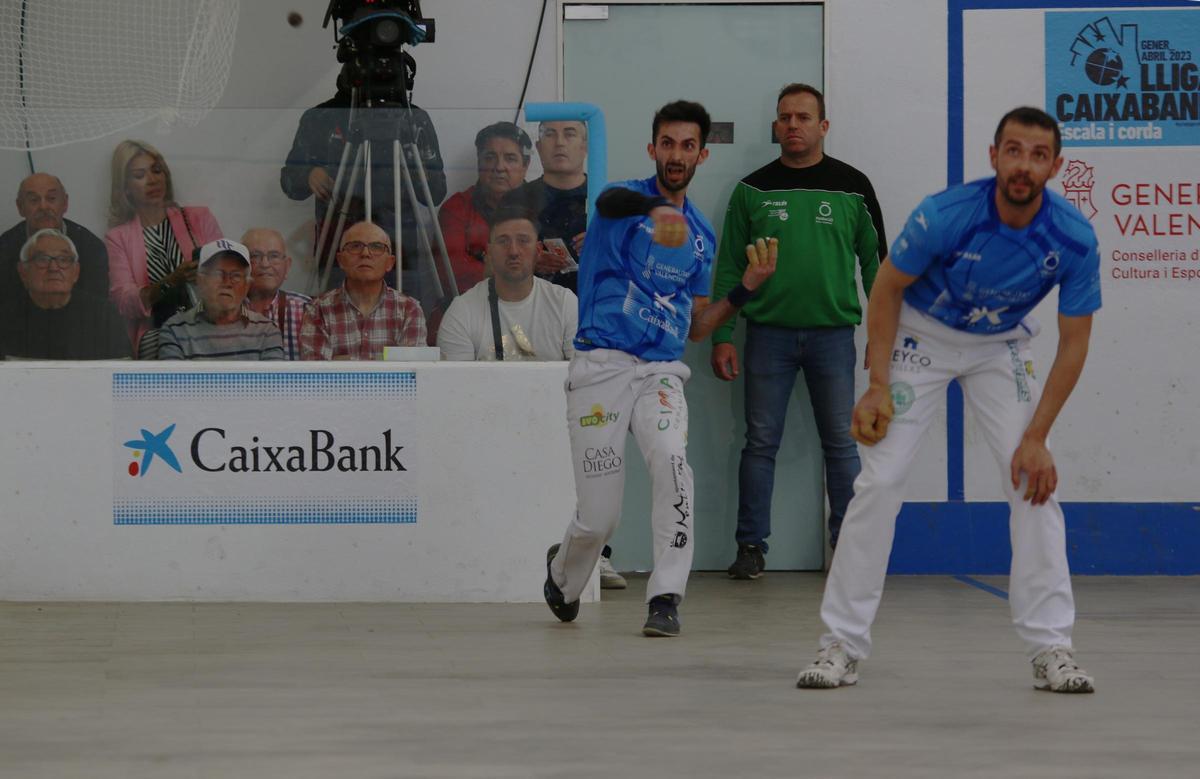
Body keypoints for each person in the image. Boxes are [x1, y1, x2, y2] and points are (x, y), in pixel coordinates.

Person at [795, 107, 1101, 693]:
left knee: (1032, 484)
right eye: (1013, 150)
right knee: (879, 485)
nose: (1024, 165)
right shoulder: (946, 214)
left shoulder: (1073, 237)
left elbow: (1074, 343)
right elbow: (886, 287)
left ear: (1056, 166)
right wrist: (878, 382)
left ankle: (1052, 648)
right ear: (993, 156)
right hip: (921, 339)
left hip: (1000, 348)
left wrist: (1036, 437)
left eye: (1038, 155)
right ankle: (839, 642)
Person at [543, 100, 778, 636]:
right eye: (666, 144)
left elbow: (697, 324)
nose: (676, 154)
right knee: (599, 517)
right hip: (600, 366)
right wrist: (655, 212)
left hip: (660, 373)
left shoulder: (702, 235)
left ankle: (666, 597)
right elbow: (607, 197)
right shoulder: (620, 203)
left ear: (702, 153)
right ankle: (563, 573)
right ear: (653, 149)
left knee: (674, 464)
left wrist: (744, 290)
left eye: (687, 145)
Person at [712, 83, 886, 578]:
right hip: (767, 335)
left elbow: (879, 269)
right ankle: (750, 548)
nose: (793, 125)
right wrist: (723, 336)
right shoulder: (752, 190)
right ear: (775, 126)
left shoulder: (854, 187)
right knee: (759, 443)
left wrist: (883, 334)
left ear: (823, 126)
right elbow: (728, 270)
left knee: (841, 444)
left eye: (804, 117)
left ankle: (848, 550)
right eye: (785, 117)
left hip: (834, 336)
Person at [280, 85, 446, 296]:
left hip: (400, 252)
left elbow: (436, 192)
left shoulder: (412, 119)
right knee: (336, 322)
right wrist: (309, 174)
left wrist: (415, 168)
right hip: (339, 252)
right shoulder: (322, 117)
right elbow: (290, 182)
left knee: (404, 321)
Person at [105, 140, 223, 356]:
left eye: (157, 170)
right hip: (157, 332)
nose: (152, 180)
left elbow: (229, 276)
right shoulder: (118, 237)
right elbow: (124, 303)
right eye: (140, 175)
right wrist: (171, 281)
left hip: (210, 326)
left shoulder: (199, 217)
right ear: (126, 189)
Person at [438, 206, 576, 362]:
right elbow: (454, 384)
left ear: (538, 251)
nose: (513, 251)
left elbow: (581, 378)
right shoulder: (462, 311)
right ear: (489, 252)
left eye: (523, 241)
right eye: (503, 241)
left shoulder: (565, 304)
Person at [299, 221, 427, 360]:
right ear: (340, 260)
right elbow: (317, 376)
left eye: (377, 247)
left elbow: (412, 375)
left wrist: (342, 363)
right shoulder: (318, 310)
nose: (365, 253)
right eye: (355, 246)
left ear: (390, 263)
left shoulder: (409, 310)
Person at [0, 229, 128, 360]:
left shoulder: (104, 315)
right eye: (42, 259)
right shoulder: (4, 318)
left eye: (64, 259)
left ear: (76, 272)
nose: (54, 268)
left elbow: (121, 371)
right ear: (23, 272)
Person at [437, 122, 533, 295]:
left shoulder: (542, 205)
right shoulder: (456, 209)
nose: (499, 167)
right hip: (472, 309)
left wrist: (491, 269)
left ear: (525, 165)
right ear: (478, 162)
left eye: (510, 158)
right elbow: (450, 273)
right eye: (490, 157)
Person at [158, 239, 284, 361]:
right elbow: (175, 383)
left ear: (247, 286)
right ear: (200, 281)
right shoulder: (175, 330)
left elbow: (270, 383)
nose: (227, 283)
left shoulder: (267, 331)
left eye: (236, 276)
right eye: (217, 274)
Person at [503, 120, 589, 291]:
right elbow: (495, 263)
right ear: (539, 147)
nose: (559, 142)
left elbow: (636, 263)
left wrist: (607, 244)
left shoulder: (610, 200)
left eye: (569, 134)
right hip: (532, 305)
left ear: (585, 147)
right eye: (550, 134)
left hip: (595, 306)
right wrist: (527, 261)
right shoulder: (514, 201)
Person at [0, 173, 109, 301]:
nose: (43, 207)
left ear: (65, 203)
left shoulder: (91, 247)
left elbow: (97, 306)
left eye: (51, 198)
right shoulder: (4, 248)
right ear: (20, 207)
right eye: (34, 200)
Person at [242, 228, 311, 360]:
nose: (265, 264)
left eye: (274, 256)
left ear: (287, 266)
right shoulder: (226, 309)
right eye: (255, 256)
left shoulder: (307, 310)